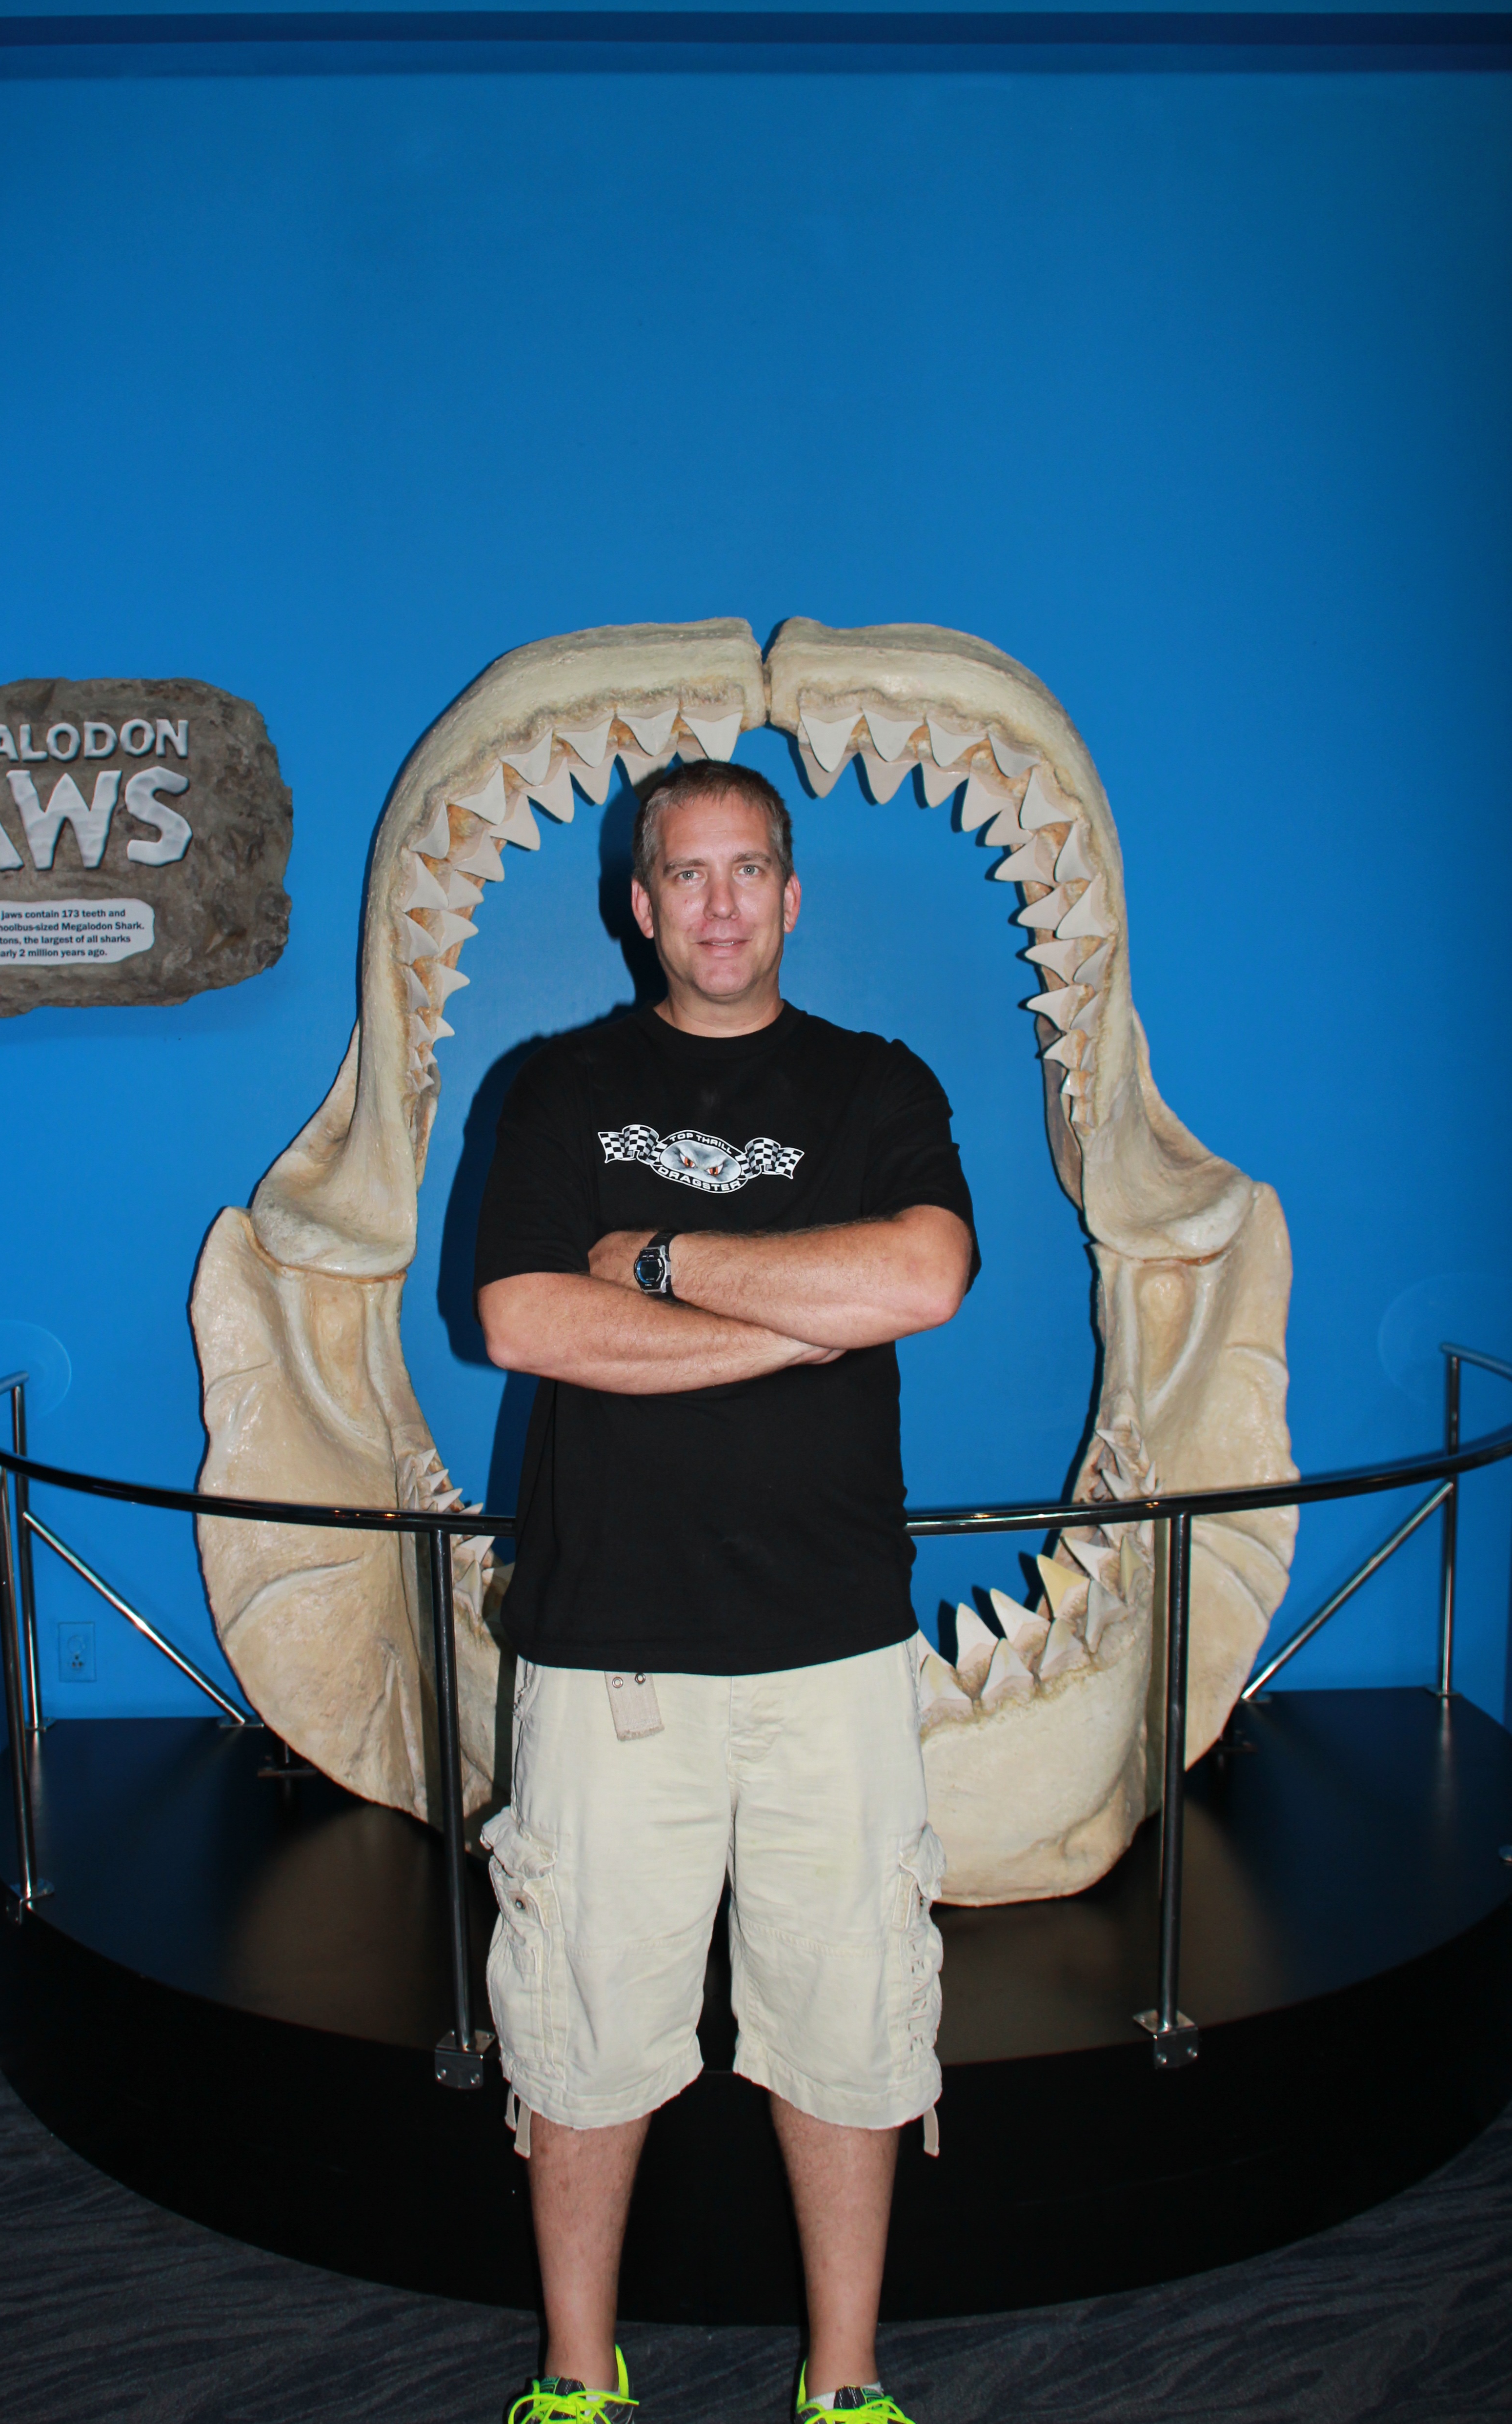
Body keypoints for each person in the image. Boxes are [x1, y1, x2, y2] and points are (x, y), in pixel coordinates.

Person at [474, 757, 979, 2424]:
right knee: (581, 2027)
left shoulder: (877, 1082)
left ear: (792, 894)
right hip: (608, 1655)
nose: (717, 903)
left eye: (746, 869)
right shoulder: (559, 1087)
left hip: (831, 1648)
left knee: (853, 2023)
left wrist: (662, 1263)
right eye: (684, 874)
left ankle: (846, 2384)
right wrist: (799, 1322)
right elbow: (527, 1321)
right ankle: (576, 2377)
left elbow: (924, 1272)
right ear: (639, 904)